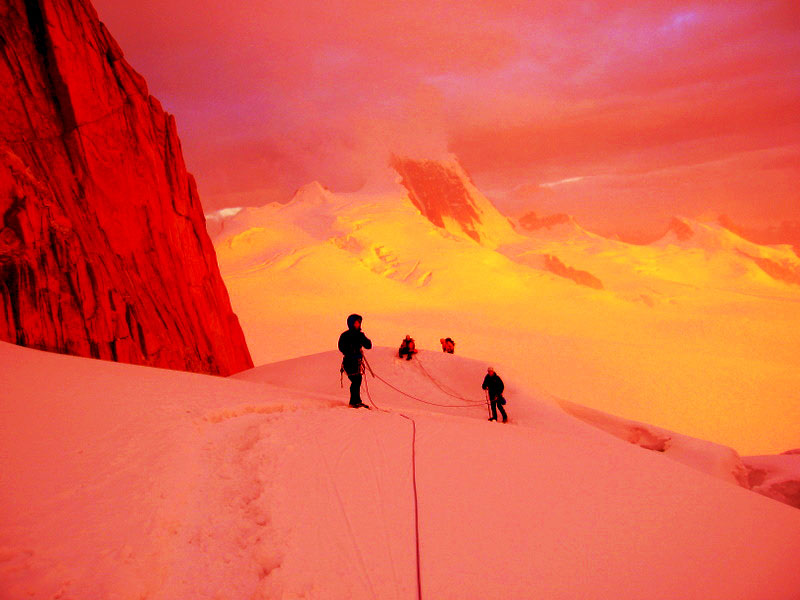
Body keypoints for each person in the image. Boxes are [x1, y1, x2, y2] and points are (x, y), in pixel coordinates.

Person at [338, 313, 372, 408]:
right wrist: (352, 350)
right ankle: (354, 402)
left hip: (356, 361)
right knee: (356, 380)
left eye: (359, 323)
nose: (358, 325)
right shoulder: (345, 335)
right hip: (349, 361)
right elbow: (341, 347)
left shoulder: (360, 335)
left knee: (357, 380)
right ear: (351, 323)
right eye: (356, 323)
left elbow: (368, 346)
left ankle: (356, 401)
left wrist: (364, 340)